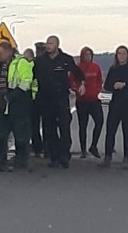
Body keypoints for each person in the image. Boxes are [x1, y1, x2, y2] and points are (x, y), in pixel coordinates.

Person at [34, 36, 85, 169]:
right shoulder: (40, 61)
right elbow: (32, 76)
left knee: (64, 127)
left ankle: (64, 155)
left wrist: (82, 84)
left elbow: (78, 73)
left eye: (50, 43)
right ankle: (54, 156)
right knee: (50, 129)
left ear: (57, 45)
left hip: (61, 98)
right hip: (45, 98)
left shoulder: (66, 60)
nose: (47, 46)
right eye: (47, 43)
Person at [0, 42, 33, 172]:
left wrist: (12, 95)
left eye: (1, 53)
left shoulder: (21, 63)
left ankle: (21, 160)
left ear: (9, 52)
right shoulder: (0, 64)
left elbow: (26, 81)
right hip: (1, 104)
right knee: (0, 133)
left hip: (17, 104)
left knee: (21, 135)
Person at [102, 45, 128, 169]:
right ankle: (107, 157)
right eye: (119, 53)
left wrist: (125, 84)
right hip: (116, 103)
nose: (121, 56)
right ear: (116, 55)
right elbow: (106, 85)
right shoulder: (113, 69)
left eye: (124, 53)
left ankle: (126, 158)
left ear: (127, 55)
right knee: (110, 131)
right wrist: (114, 85)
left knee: (127, 130)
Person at [71, 46, 104, 159]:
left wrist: (97, 89)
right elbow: (71, 81)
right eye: (86, 55)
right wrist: (77, 89)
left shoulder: (95, 67)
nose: (88, 57)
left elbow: (99, 79)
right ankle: (83, 150)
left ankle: (93, 145)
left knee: (99, 122)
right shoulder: (77, 68)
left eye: (90, 55)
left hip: (94, 99)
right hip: (82, 100)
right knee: (82, 125)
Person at [23, 48, 43, 157]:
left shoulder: (29, 67)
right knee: (37, 126)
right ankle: (40, 149)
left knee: (33, 126)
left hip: (32, 100)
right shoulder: (38, 66)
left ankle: (37, 148)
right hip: (37, 99)